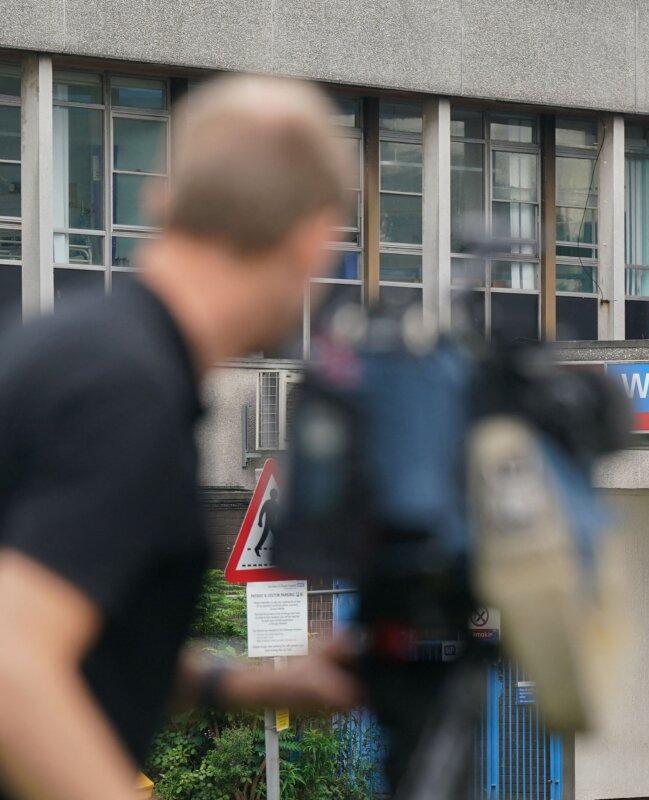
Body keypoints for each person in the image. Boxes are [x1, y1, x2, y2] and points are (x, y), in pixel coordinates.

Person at [0, 75, 362, 800]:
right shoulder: (128, 393)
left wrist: (246, 683)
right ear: (313, 239)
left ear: (166, 201)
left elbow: (81, 640)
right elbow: (15, 660)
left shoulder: (75, 348)